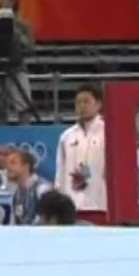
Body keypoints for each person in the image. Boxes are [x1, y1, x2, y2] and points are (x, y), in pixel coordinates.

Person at [55, 83, 108, 218]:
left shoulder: (109, 132)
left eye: (86, 101)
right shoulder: (66, 136)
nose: (82, 106)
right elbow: (60, 172)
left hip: (100, 203)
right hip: (71, 206)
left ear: (98, 104)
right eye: (78, 102)